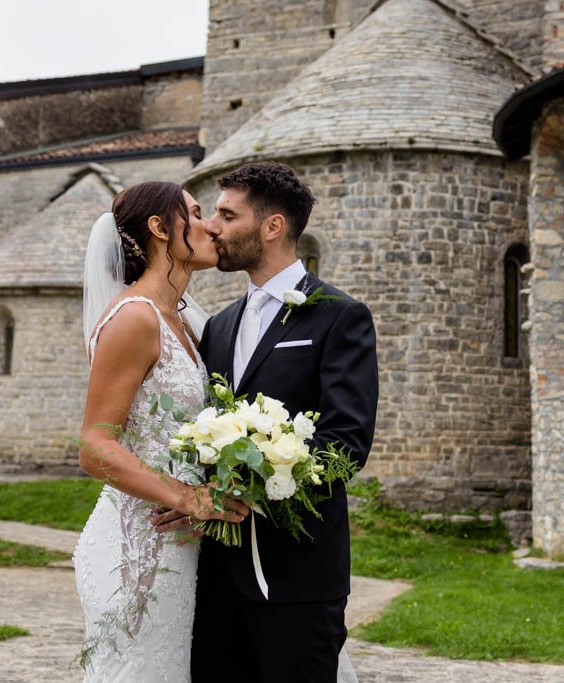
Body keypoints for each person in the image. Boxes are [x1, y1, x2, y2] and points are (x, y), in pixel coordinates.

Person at [155, 162, 378, 682]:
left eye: (227, 215)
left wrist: (252, 489)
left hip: (298, 572)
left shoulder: (338, 316)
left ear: (272, 227)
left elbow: (346, 442)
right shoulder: (218, 325)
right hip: (216, 576)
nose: (212, 226)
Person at [73, 181, 251, 682]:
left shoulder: (188, 323)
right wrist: (191, 498)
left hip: (183, 546)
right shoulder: (135, 318)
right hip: (139, 548)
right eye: (195, 214)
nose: (210, 226)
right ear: (158, 228)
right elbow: (94, 445)